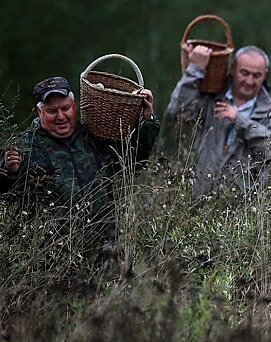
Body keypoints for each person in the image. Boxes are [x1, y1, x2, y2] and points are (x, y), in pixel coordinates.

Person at [0, 76, 160, 255]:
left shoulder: (93, 136)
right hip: (56, 256)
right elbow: (9, 198)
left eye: (66, 108)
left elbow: (132, 165)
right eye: (52, 111)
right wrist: (9, 172)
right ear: (40, 112)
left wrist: (147, 120)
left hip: (107, 249)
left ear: (74, 106)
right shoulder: (25, 147)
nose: (61, 117)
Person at [165, 45, 271, 198]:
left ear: (264, 76)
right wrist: (194, 70)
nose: (249, 81)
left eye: (256, 75)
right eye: (244, 73)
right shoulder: (211, 98)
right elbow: (177, 112)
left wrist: (240, 121)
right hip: (198, 198)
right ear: (232, 70)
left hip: (244, 210)